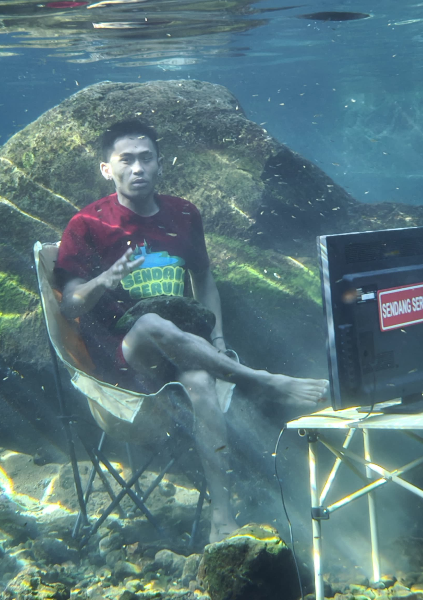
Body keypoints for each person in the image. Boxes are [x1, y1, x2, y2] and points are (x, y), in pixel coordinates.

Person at [55, 120, 327, 542]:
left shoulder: (183, 213)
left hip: (180, 349)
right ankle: (265, 381)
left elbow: (204, 280)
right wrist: (106, 279)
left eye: (146, 158)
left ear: (160, 164)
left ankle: (223, 516)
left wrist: (216, 339)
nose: (137, 168)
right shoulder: (87, 224)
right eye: (126, 160)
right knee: (148, 322)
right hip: (120, 357)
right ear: (106, 169)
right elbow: (69, 304)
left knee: (201, 381)